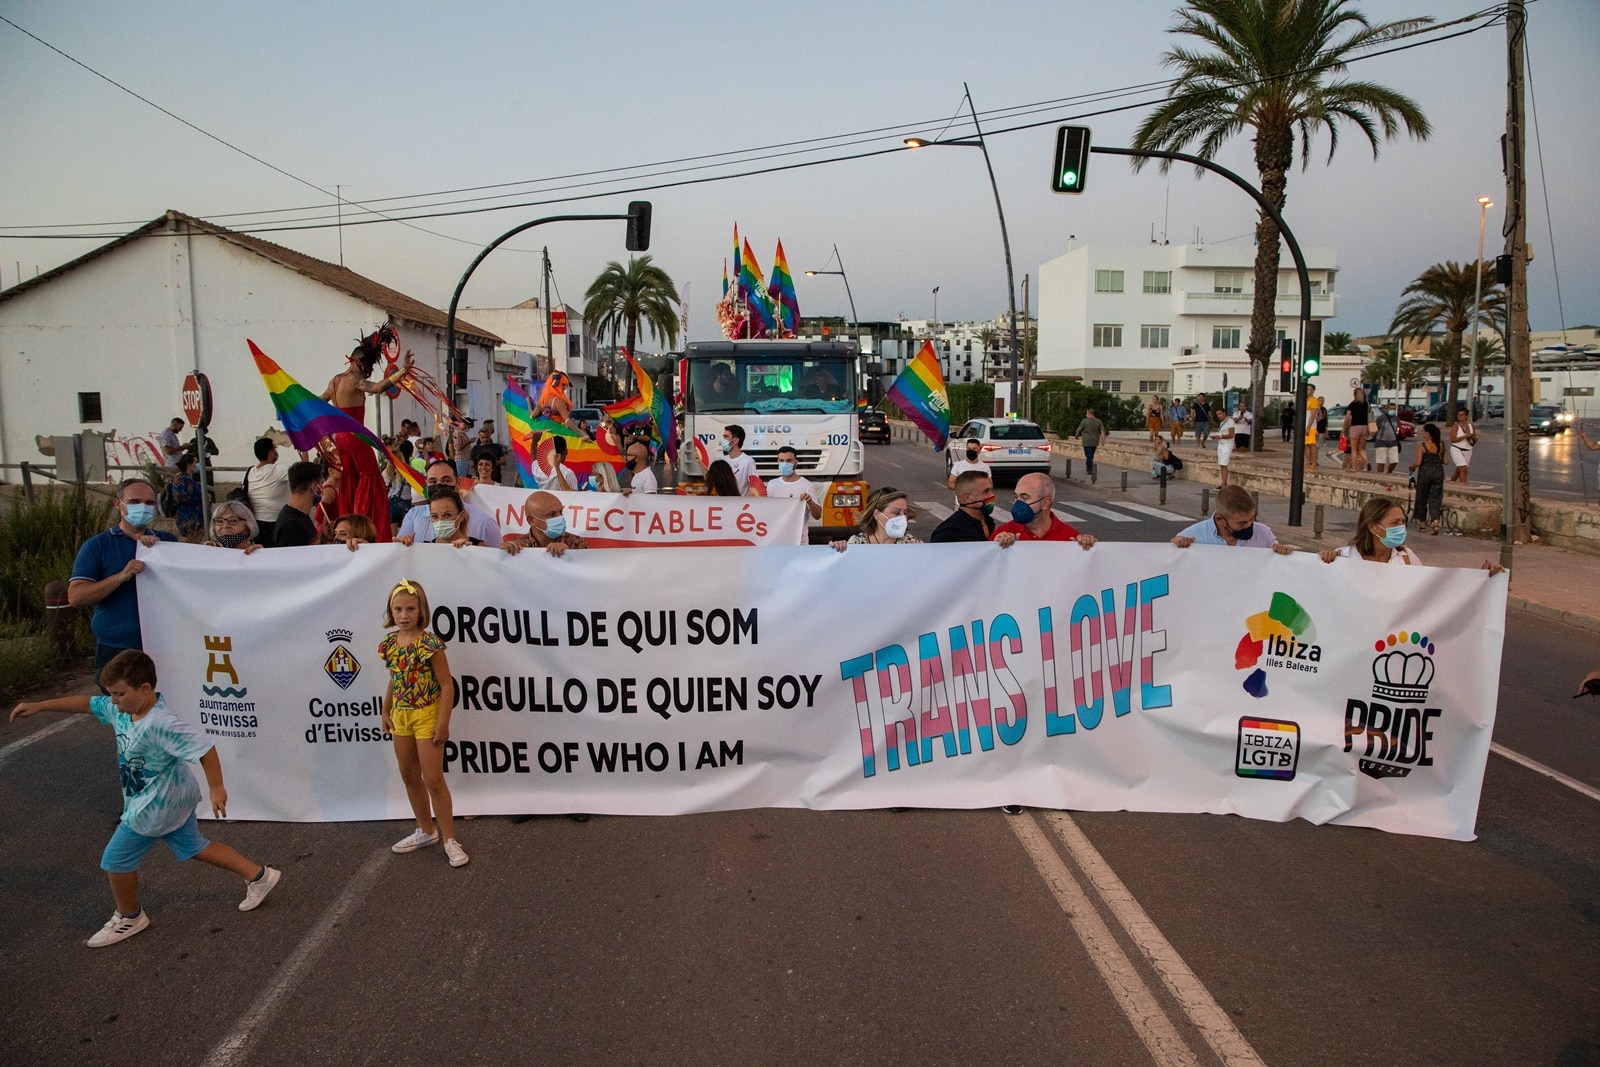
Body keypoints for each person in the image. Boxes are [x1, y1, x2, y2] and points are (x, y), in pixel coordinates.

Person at [9, 650, 281, 947]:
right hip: (176, 797)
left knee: (116, 860)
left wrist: (217, 788)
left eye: (119, 694)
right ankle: (258, 876)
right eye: (111, 694)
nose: (113, 701)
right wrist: (39, 706)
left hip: (154, 806)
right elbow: (86, 704)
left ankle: (129, 916)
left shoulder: (161, 722)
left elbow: (204, 748)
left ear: (145, 689)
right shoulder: (122, 709)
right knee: (193, 846)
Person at [379, 579, 467, 868]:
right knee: (408, 774)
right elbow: (395, 677)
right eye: (398, 609)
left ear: (421, 611)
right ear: (391, 612)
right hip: (402, 714)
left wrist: (443, 722)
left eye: (410, 609)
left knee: (433, 778)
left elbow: (446, 685)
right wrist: (386, 709)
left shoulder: (430, 643)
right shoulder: (390, 643)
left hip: (427, 714)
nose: (404, 615)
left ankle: (450, 838)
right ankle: (426, 829)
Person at [69, 478, 179, 677]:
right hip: (117, 648)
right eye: (134, 502)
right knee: (120, 706)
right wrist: (120, 576)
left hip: (163, 646)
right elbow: (76, 597)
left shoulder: (167, 541)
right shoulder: (98, 545)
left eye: (149, 503)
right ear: (118, 503)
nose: (143, 508)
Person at [319, 338, 409, 542]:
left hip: (339, 439)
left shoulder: (334, 381)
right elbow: (377, 388)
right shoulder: (354, 380)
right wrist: (402, 371)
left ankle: (349, 524)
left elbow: (318, 403)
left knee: (350, 480)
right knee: (370, 478)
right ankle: (364, 527)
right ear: (359, 361)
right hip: (355, 436)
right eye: (367, 366)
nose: (368, 371)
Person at [1319, 496, 1503, 573]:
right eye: (1394, 523)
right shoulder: (1344, 557)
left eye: (1403, 521)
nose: (1401, 527)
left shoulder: (1406, 558)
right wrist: (1320, 561)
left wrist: (1481, 580)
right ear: (1373, 527)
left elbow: (1433, 594)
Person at [398, 460, 503, 546]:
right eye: (433, 482)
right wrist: (402, 545)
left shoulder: (483, 522)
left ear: (458, 483)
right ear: (427, 485)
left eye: (446, 480)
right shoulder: (413, 516)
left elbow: (496, 561)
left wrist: (508, 550)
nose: (439, 486)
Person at [1171, 485, 1294, 553]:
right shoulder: (1192, 536)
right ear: (1220, 520)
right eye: (1242, 523)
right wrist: (1176, 547)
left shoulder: (1264, 534)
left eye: (1252, 519)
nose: (1249, 525)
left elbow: (1277, 567)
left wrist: (1283, 552)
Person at [992, 472, 1096, 548]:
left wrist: (1087, 545)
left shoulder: (1069, 537)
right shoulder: (1004, 533)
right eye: (1016, 497)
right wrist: (996, 546)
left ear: (1045, 503)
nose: (1017, 503)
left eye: (1025, 497)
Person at [247, 437, 301, 546]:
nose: (276, 451)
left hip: (256, 523)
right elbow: (304, 473)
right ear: (270, 452)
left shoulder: (250, 471)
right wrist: (303, 451)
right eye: (275, 448)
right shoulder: (278, 470)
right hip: (276, 522)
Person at [502, 490, 588, 557]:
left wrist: (571, 555)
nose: (559, 517)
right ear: (532, 521)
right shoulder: (517, 546)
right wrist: (500, 555)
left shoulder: (577, 543)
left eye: (561, 511)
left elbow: (588, 573)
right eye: (551, 514)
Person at [831, 488, 921, 549]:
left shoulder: (913, 545)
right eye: (896, 512)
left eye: (905, 513)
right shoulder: (856, 544)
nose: (902, 517)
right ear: (877, 514)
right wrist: (837, 549)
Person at [930, 471, 997, 543]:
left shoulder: (988, 521)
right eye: (986, 491)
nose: (991, 495)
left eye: (991, 490)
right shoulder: (949, 532)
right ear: (967, 498)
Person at [273, 461, 324, 547]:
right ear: (314, 486)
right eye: (321, 484)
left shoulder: (297, 515)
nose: (322, 488)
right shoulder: (293, 527)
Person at [1410, 422, 1446, 535]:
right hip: (1438, 473)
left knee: (1422, 498)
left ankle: (1423, 525)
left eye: (1424, 431)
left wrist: (1412, 467)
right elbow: (1446, 461)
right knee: (1435, 498)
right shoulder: (1442, 445)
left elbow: (1418, 462)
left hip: (1425, 474)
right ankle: (1436, 523)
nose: (1422, 433)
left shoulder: (1422, 446)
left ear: (1428, 433)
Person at [767, 445, 820, 519]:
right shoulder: (771, 485)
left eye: (789, 460)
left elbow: (818, 516)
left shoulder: (806, 485)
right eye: (781, 460)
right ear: (778, 461)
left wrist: (810, 502)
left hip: (798, 531)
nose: (785, 464)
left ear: (796, 462)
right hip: (778, 530)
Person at [163, 453, 205, 540]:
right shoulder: (181, 479)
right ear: (189, 465)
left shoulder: (189, 479)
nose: (197, 465)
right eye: (195, 462)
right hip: (188, 515)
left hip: (196, 514)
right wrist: (203, 497)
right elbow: (184, 497)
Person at [720, 424, 758, 494]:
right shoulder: (722, 460)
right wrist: (700, 462)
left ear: (735, 440)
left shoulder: (748, 461)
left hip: (740, 503)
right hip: (724, 503)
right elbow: (711, 480)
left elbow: (754, 486)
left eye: (726, 437)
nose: (722, 440)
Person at [1371, 400, 1403, 474]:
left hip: (1393, 442)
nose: (1392, 410)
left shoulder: (1396, 419)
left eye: (1394, 409)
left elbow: (1397, 429)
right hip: (1381, 442)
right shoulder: (1380, 418)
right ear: (1387, 409)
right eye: (1391, 409)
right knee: (1381, 462)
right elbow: (1376, 429)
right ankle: (1380, 476)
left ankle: (1389, 473)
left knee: (1395, 461)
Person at [1345, 389, 1371, 472]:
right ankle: (1367, 462)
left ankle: (1354, 467)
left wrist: (1344, 428)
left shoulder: (1352, 404)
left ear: (1354, 394)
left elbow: (1348, 417)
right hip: (1365, 427)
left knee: (1354, 449)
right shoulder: (1365, 404)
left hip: (1355, 427)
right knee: (1362, 448)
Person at [1448, 406, 1477, 482]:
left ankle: (1452, 482)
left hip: (1468, 450)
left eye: (1462, 415)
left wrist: (1473, 439)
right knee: (1464, 469)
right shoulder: (1456, 426)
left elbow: (1474, 438)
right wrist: (1465, 436)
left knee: (1459, 470)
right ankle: (1463, 487)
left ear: (1466, 416)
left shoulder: (1471, 426)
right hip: (1457, 449)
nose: (1459, 417)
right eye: (1458, 415)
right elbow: (1453, 439)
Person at [1075, 410, 1106, 478]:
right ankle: (1088, 465)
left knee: (1088, 455)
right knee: (1091, 455)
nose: (1086, 415)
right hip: (1095, 441)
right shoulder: (1099, 421)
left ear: (1089, 413)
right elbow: (1102, 431)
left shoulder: (1084, 421)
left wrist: (1076, 435)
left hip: (1087, 441)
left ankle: (1089, 468)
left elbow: (1079, 429)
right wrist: (1103, 440)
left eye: (1086, 413)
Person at [1214, 406, 1238, 487]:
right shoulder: (1222, 423)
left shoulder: (1230, 421)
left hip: (1227, 445)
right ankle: (1223, 482)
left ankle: (1224, 484)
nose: (1219, 416)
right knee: (1221, 464)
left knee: (1224, 464)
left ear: (1224, 413)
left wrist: (1220, 437)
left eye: (1220, 414)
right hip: (1221, 444)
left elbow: (1231, 434)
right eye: (1217, 415)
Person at [1304, 384, 1323, 468]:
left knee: (1312, 444)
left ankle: (1314, 463)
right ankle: (1307, 463)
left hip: (1311, 426)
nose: (1308, 391)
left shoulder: (1314, 400)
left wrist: (1308, 427)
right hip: (1305, 425)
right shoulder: (1305, 400)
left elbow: (1312, 415)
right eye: (1307, 389)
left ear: (1313, 391)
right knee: (1306, 445)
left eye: (1309, 389)